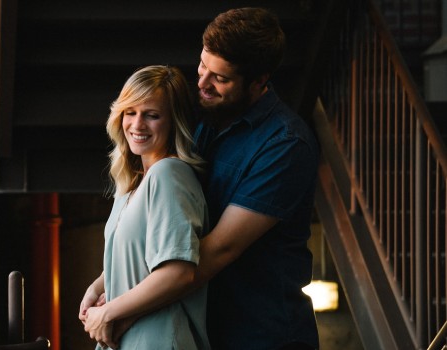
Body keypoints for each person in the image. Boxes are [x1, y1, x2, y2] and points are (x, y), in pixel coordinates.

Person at [88, 7, 321, 350]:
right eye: (202, 66)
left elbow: (211, 252)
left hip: (260, 334)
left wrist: (121, 311)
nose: (201, 83)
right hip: (201, 326)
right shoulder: (200, 117)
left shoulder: (285, 145)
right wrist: (108, 285)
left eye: (220, 78)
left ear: (259, 81)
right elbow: (164, 234)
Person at [78, 65, 210, 350]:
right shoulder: (130, 187)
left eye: (152, 115)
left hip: (159, 340)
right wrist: (97, 288)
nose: (137, 125)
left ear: (173, 121)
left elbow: (178, 272)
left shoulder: (169, 175)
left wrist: (108, 312)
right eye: (130, 112)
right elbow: (132, 256)